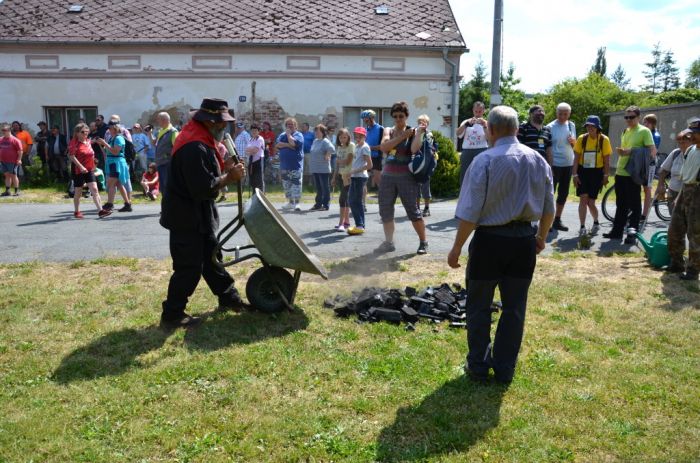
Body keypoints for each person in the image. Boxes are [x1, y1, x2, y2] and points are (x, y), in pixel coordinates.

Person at [447, 105, 555, 383]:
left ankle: (479, 367)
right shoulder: (538, 160)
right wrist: (541, 236)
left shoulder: (484, 161)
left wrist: (457, 247)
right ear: (517, 129)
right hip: (523, 242)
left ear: (490, 130)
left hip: (490, 242)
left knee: (479, 305)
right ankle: (505, 368)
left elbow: (470, 213)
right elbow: (549, 208)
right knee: (515, 308)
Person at [160, 98, 247, 328]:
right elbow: (201, 187)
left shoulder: (201, 139)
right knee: (188, 267)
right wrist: (229, 177)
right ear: (209, 121)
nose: (224, 127)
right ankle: (172, 314)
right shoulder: (193, 146)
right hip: (186, 216)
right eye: (221, 123)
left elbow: (206, 173)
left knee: (212, 258)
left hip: (199, 214)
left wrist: (226, 166)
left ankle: (229, 298)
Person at [375, 101, 428, 255]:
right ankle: (389, 242)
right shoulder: (388, 130)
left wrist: (418, 134)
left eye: (401, 116)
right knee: (385, 210)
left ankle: (423, 242)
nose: (398, 119)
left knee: (413, 211)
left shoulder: (413, 131)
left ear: (406, 116)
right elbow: (384, 148)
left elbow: (413, 149)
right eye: (396, 116)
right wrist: (402, 136)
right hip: (387, 177)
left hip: (406, 177)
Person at [603, 106, 657, 244]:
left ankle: (632, 233)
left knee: (634, 204)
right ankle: (617, 231)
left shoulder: (644, 131)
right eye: (626, 117)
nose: (628, 120)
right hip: (621, 171)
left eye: (631, 117)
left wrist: (631, 151)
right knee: (621, 203)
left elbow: (652, 152)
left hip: (633, 173)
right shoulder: (625, 131)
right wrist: (623, 152)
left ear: (638, 117)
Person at [667, 118, 700, 281]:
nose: (692, 136)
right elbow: (686, 175)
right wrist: (679, 196)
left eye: (695, 133)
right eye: (691, 133)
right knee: (675, 229)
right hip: (685, 189)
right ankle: (676, 263)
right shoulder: (691, 150)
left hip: (697, 193)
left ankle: (693, 270)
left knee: (695, 234)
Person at [572, 115, 612, 235]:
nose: (590, 128)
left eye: (592, 126)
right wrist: (574, 175)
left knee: (591, 202)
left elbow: (607, 160)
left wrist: (606, 176)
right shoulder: (581, 138)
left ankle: (596, 222)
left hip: (596, 172)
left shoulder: (603, 139)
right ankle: (582, 226)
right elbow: (576, 158)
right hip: (583, 171)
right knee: (583, 199)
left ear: (597, 127)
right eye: (588, 126)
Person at [546, 102, 576, 231]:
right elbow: (547, 147)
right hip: (555, 165)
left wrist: (573, 142)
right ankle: (546, 221)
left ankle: (557, 220)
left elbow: (575, 145)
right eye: (560, 113)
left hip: (568, 164)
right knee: (550, 194)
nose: (563, 116)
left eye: (565, 113)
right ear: (556, 113)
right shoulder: (550, 127)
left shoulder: (571, 125)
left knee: (563, 193)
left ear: (569, 114)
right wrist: (550, 165)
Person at [67, 123, 105, 218]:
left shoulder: (88, 141)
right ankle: (77, 211)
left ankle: (100, 211)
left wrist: (100, 142)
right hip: (78, 170)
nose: (86, 134)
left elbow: (93, 143)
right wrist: (81, 167)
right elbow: (71, 156)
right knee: (78, 192)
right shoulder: (74, 142)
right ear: (77, 133)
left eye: (87, 132)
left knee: (95, 189)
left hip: (89, 169)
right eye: (83, 132)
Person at [95, 121, 132, 215]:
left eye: (110, 128)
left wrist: (105, 143)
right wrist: (101, 144)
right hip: (113, 163)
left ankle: (110, 204)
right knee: (118, 184)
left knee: (111, 183)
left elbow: (115, 152)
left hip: (117, 163)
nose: (108, 129)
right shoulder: (113, 138)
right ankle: (127, 204)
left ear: (115, 128)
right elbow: (108, 151)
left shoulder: (119, 138)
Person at [655, 129, 693, 217]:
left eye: (684, 142)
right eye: (679, 142)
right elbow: (663, 171)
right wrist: (660, 185)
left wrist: (679, 198)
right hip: (673, 192)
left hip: (688, 194)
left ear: (692, 142)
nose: (681, 145)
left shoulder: (695, 155)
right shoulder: (676, 153)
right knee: (674, 222)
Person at [347, 127, 372, 235]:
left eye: (360, 136)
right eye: (356, 136)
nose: (357, 138)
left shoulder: (365, 147)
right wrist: (351, 172)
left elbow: (370, 165)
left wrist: (354, 171)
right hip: (355, 176)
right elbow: (356, 162)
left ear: (364, 136)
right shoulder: (357, 146)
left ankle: (360, 225)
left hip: (360, 177)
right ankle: (360, 225)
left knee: (353, 201)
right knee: (356, 201)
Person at [457, 101, 488, 186]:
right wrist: (467, 124)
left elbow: (489, 138)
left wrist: (485, 126)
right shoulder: (466, 122)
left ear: (483, 111)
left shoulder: (486, 123)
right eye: (476, 111)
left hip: (482, 150)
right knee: (465, 173)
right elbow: (458, 134)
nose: (478, 114)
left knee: (481, 174)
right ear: (473, 111)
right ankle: (463, 195)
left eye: (480, 111)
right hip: (467, 150)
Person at [276, 117, 304, 211]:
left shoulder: (298, 135)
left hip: (295, 165)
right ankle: (290, 202)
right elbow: (278, 145)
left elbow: (294, 144)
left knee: (296, 184)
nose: (289, 126)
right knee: (287, 184)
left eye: (291, 124)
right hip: (284, 165)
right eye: (288, 124)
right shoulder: (281, 135)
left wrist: (288, 136)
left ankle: (297, 203)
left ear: (295, 126)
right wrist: (289, 145)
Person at [331, 128, 354, 231]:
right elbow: (337, 164)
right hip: (340, 175)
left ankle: (341, 223)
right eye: (340, 137)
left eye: (345, 137)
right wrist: (334, 177)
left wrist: (339, 161)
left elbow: (348, 161)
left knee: (342, 199)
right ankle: (347, 222)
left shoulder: (351, 146)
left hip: (348, 176)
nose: (342, 139)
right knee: (345, 199)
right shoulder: (339, 148)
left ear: (348, 137)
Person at [308, 124, 335, 211]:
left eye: (318, 131)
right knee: (318, 187)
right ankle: (318, 204)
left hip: (323, 168)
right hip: (315, 167)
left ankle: (325, 204)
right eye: (315, 131)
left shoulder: (325, 141)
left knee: (324, 187)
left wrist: (328, 154)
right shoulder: (315, 141)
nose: (316, 132)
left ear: (323, 132)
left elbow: (332, 149)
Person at [151, 112, 178, 195]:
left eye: (158, 120)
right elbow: (155, 143)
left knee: (168, 187)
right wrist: (149, 134)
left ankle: (171, 206)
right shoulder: (162, 131)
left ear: (164, 120)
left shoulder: (173, 132)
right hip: (161, 163)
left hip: (167, 164)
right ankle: (167, 206)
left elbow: (177, 148)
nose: (157, 122)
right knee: (163, 187)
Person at [415, 114, 436, 217]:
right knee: (416, 187)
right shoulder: (415, 133)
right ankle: (417, 207)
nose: (422, 124)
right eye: (420, 122)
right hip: (417, 163)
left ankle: (426, 208)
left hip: (426, 164)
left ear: (427, 124)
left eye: (424, 122)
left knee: (425, 186)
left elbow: (433, 147)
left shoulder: (429, 134)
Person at [642, 113, 662, 221]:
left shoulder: (655, 135)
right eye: (644, 122)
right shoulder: (645, 133)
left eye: (646, 122)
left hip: (650, 164)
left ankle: (644, 215)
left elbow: (652, 151)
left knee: (647, 188)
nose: (644, 124)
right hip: (642, 162)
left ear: (652, 124)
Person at [361, 109, 384, 191]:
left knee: (378, 179)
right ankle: (362, 200)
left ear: (372, 118)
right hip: (365, 157)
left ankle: (384, 196)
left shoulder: (381, 129)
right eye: (364, 120)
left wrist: (371, 148)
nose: (366, 122)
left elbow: (383, 145)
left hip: (376, 157)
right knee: (363, 180)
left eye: (367, 120)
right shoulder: (365, 130)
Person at [0, 124, 23, 197]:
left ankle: (17, 191)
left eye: (5, 130)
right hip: (3, 161)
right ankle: (7, 191)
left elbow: (20, 151)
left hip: (12, 161)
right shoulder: (1, 139)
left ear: (9, 130)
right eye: (2, 130)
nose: (3, 132)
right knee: (7, 175)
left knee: (13, 175)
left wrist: (19, 159)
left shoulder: (15, 140)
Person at [245, 124, 265, 192]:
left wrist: (251, 150)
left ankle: (261, 195)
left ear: (258, 131)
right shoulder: (251, 139)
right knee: (252, 180)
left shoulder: (260, 139)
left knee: (259, 179)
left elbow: (255, 150)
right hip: (251, 161)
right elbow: (246, 151)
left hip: (259, 160)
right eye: (252, 130)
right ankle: (254, 194)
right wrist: (251, 150)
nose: (254, 132)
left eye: (256, 131)